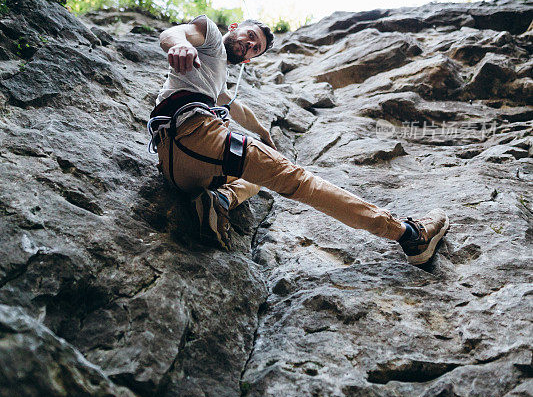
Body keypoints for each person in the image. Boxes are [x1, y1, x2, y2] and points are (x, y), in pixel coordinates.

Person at [150, 15, 449, 264]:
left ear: (250, 60)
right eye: (250, 36)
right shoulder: (211, 37)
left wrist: (265, 135)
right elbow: (173, 33)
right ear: (234, 29)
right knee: (298, 181)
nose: (251, 45)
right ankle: (411, 235)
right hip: (198, 133)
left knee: (256, 180)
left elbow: (235, 106)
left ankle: (219, 200)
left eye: (256, 48)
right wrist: (180, 46)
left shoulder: (213, 77)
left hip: (178, 170)